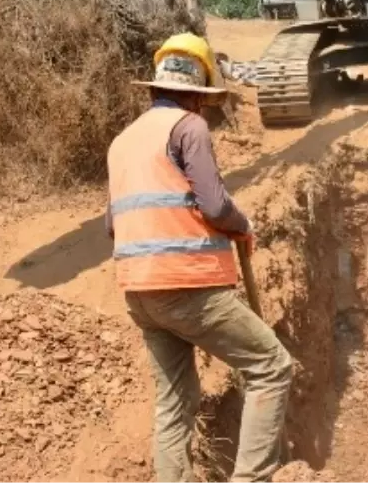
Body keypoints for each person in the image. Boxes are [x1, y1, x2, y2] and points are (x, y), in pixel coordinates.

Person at [104, 32, 294, 483]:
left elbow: (112, 225)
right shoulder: (188, 127)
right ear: (197, 94)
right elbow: (213, 204)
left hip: (139, 294)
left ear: (155, 87)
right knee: (271, 367)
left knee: (175, 400)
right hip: (188, 285)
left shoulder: (122, 142)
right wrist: (242, 225)